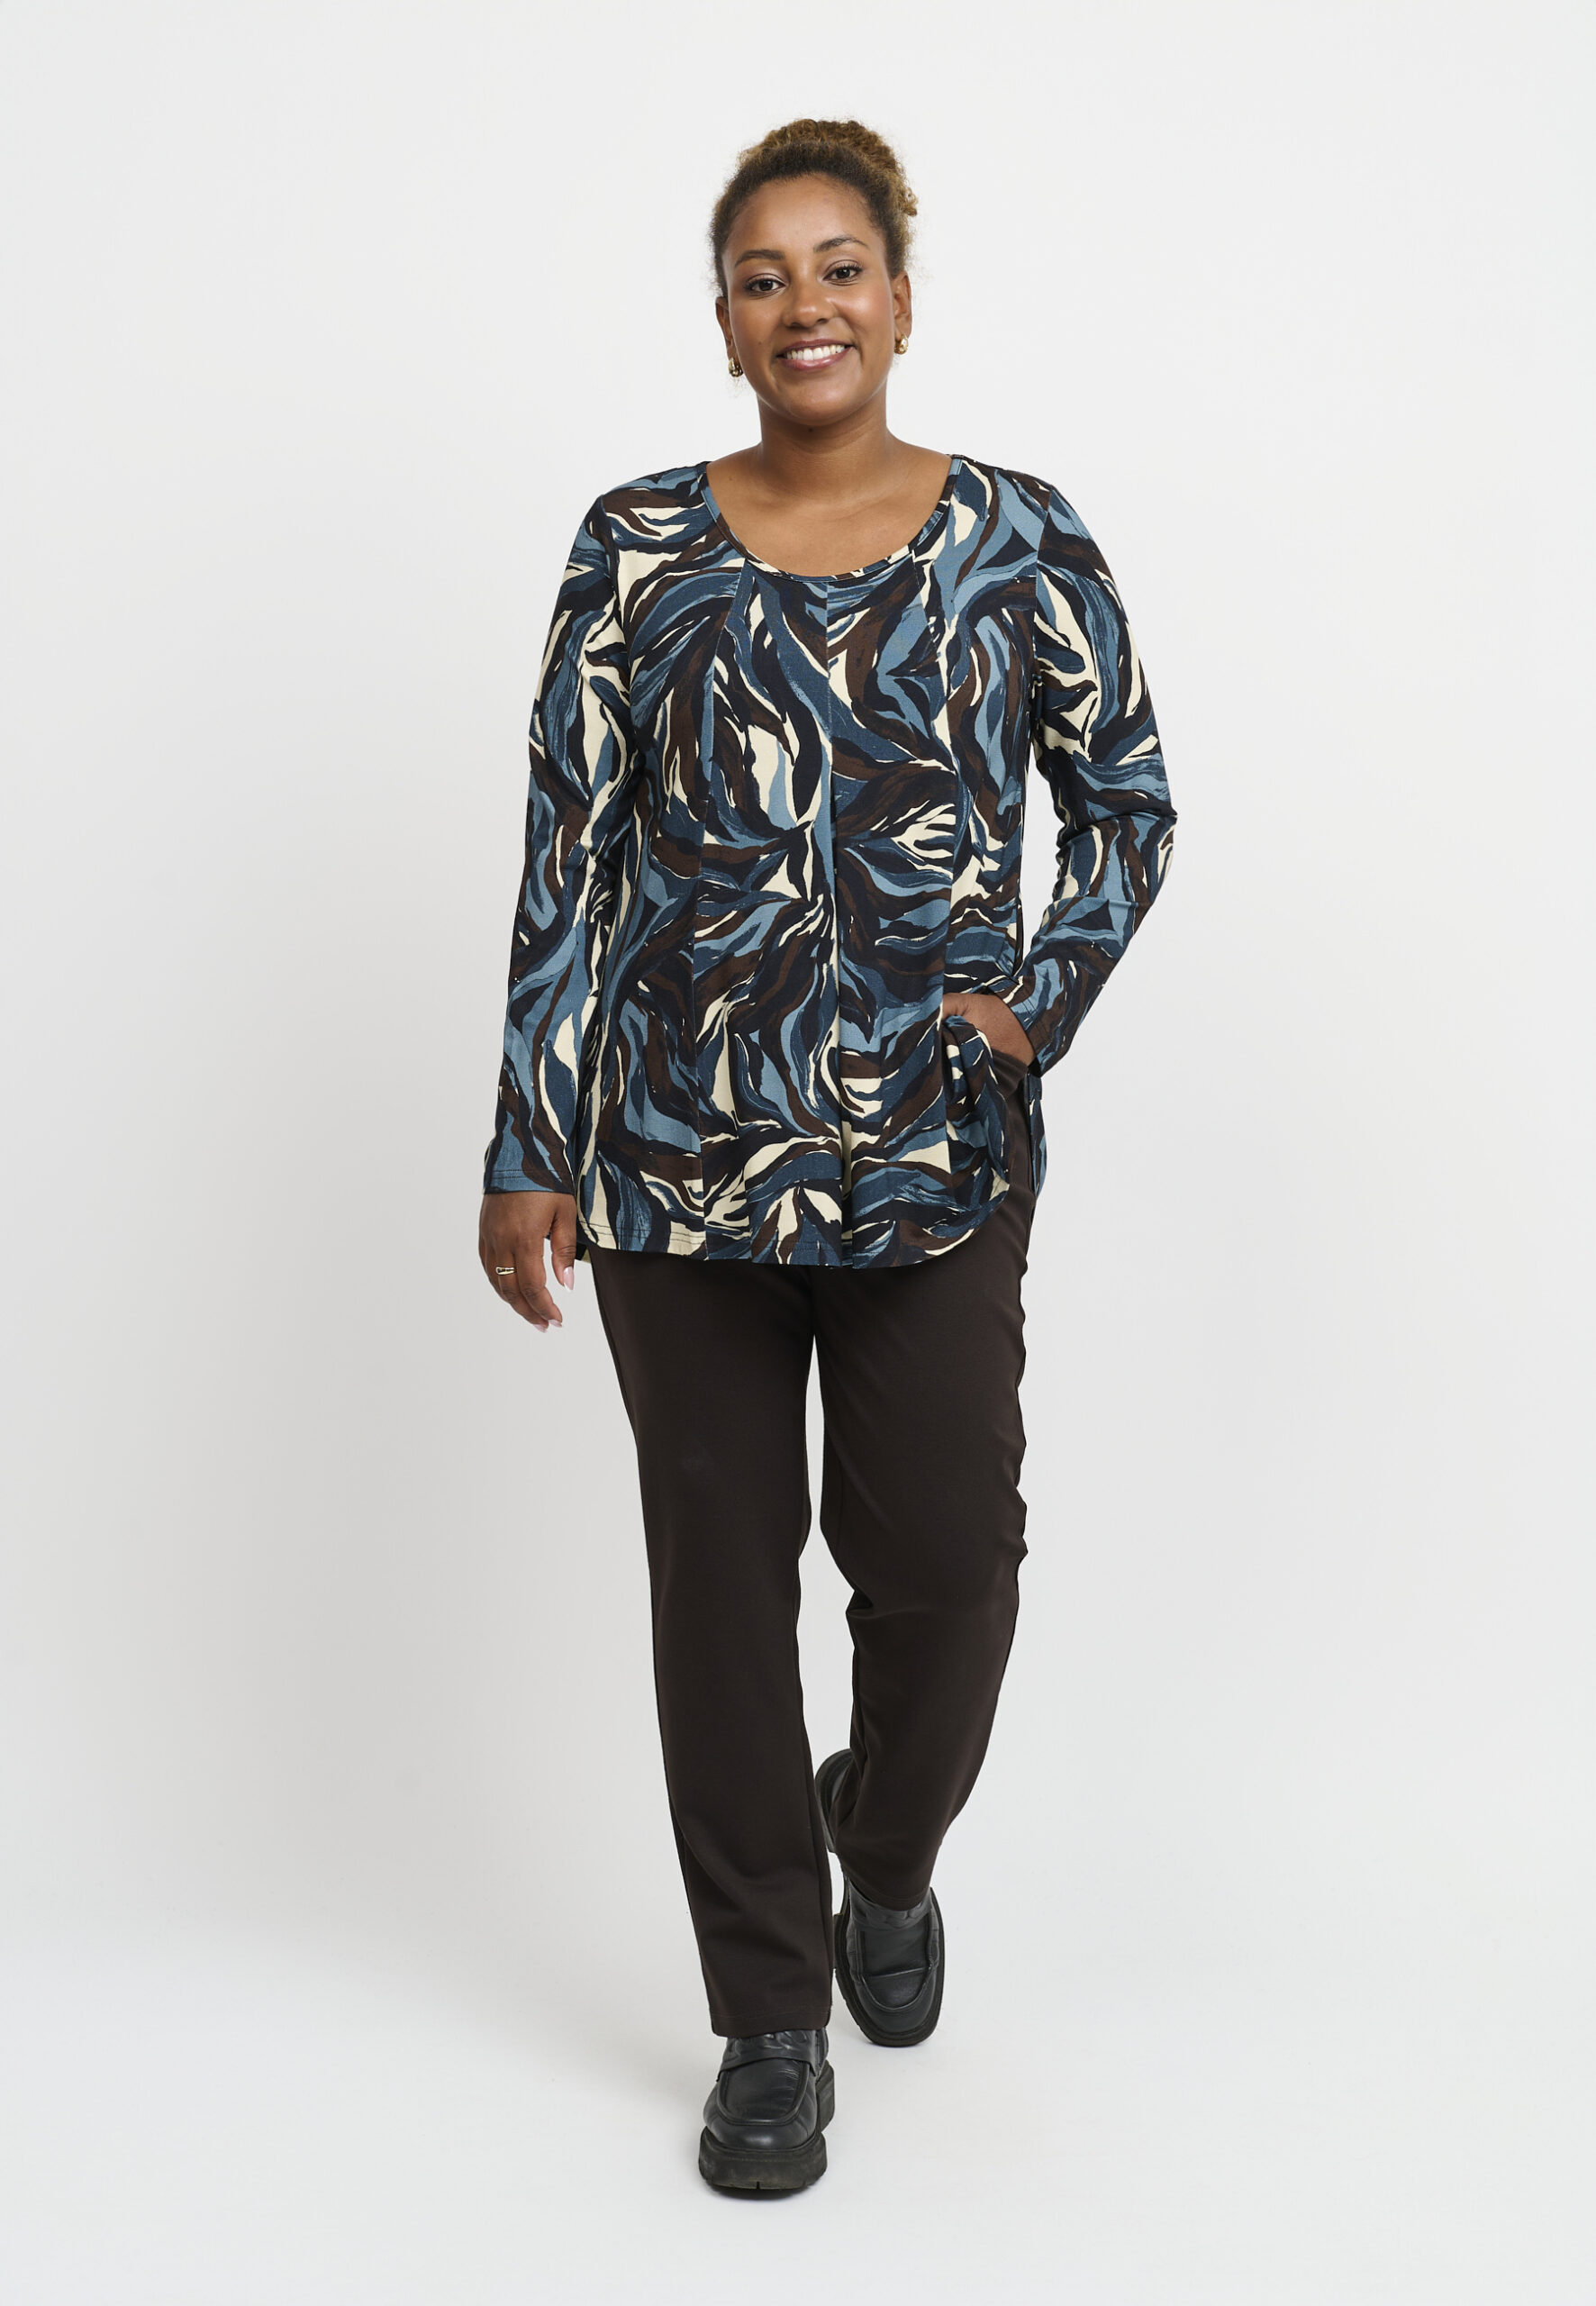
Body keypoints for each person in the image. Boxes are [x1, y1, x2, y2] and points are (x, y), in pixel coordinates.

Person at [478, 117, 1177, 2195]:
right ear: (722, 321)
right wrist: (527, 1137)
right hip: (669, 1160)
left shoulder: (1017, 538)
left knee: (948, 1564)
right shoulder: (632, 547)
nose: (806, 303)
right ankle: (769, 2013)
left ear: (900, 295)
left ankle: (884, 1843)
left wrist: (1033, 997)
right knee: (718, 1587)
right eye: (764, 274)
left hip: (934, 1164)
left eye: (839, 265)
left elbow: (1126, 798)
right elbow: (569, 849)